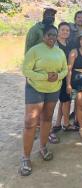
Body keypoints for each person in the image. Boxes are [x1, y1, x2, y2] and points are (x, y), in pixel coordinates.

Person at [20, 25, 68, 176]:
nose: (52, 37)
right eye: (49, 35)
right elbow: (26, 70)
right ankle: (26, 157)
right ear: (43, 36)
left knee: (47, 118)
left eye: (54, 35)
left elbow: (65, 69)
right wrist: (45, 77)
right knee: (30, 122)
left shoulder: (60, 52)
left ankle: (42, 147)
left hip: (53, 90)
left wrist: (58, 77)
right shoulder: (34, 50)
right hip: (35, 89)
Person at [50, 22, 76, 141]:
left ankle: (62, 124)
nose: (65, 32)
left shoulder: (68, 44)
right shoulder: (53, 44)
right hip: (54, 77)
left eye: (67, 30)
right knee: (51, 104)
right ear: (58, 31)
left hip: (65, 76)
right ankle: (50, 130)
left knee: (64, 101)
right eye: (63, 30)